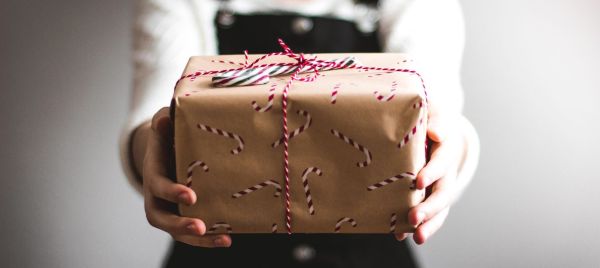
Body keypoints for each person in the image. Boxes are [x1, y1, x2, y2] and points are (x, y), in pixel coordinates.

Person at [119, 0, 480, 267]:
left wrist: (450, 151)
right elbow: (157, 110)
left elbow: (438, 107)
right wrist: (154, 152)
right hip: (215, 248)